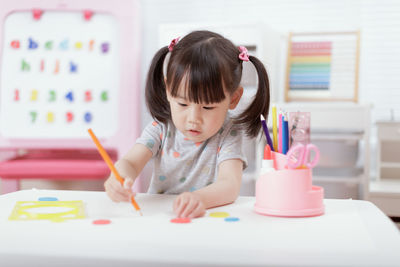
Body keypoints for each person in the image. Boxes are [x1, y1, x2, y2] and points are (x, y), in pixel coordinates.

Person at [104, 30, 270, 218]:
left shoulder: (228, 133)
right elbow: (131, 163)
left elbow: (230, 184)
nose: (193, 118)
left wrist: (199, 198)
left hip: (205, 221)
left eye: (207, 107)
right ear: (168, 90)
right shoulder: (161, 128)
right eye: (182, 104)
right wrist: (119, 178)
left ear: (233, 99)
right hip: (160, 219)